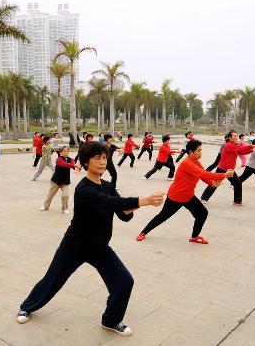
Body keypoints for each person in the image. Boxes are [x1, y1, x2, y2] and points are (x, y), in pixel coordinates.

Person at [16, 142, 165, 336]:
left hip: (100, 247)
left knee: (124, 281)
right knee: (51, 280)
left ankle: (111, 320)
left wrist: (129, 209)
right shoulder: (83, 189)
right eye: (97, 158)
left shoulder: (108, 186)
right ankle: (27, 306)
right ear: (86, 162)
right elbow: (108, 202)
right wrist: (142, 201)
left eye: (104, 158)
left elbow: (122, 214)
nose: (103, 162)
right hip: (74, 247)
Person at [137, 140, 232, 243]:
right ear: (191, 152)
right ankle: (143, 232)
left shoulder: (196, 162)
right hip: (176, 196)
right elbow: (204, 174)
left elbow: (202, 175)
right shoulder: (187, 163)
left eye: (201, 150)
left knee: (202, 213)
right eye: (199, 150)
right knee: (162, 216)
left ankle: (194, 237)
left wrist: (212, 183)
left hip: (188, 196)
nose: (201, 153)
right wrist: (224, 175)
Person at [200, 130, 254, 206]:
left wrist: (251, 150)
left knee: (238, 183)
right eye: (234, 136)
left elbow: (241, 152)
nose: (236, 137)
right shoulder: (228, 145)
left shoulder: (234, 145)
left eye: (236, 136)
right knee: (216, 183)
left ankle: (237, 201)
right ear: (229, 138)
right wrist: (252, 146)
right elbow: (240, 149)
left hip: (230, 170)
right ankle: (203, 198)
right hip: (222, 169)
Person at [40, 146, 81, 214]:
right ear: (61, 152)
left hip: (65, 181)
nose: (66, 152)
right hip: (56, 181)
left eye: (67, 151)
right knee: (50, 195)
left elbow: (73, 165)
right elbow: (64, 164)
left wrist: (78, 168)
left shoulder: (71, 159)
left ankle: (64, 209)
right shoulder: (58, 159)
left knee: (65, 195)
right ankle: (45, 206)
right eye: (64, 151)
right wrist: (73, 166)